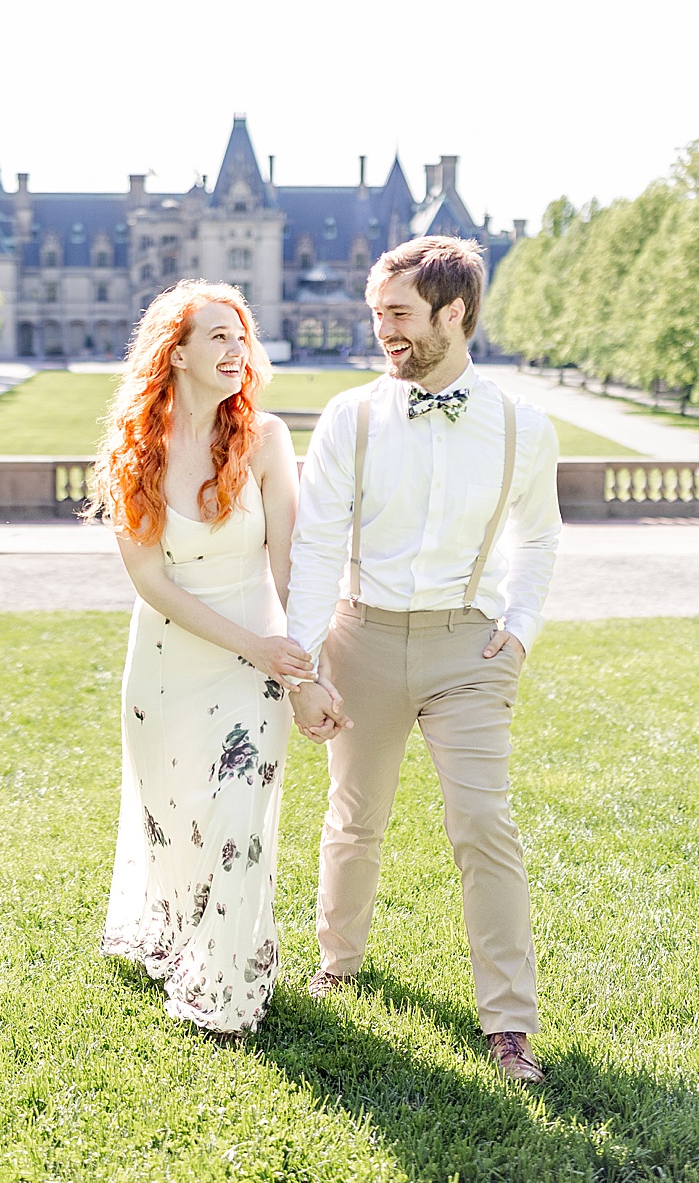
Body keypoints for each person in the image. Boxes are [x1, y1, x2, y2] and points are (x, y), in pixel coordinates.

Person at [287, 236, 561, 1083]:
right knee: (355, 814)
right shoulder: (351, 416)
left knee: (485, 823)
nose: (384, 332)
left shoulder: (523, 425)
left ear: (455, 313)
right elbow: (316, 543)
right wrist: (303, 670)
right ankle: (338, 963)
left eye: (398, 315)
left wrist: (518, 629)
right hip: (359, 634)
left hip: (469, 648)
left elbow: (539, 537)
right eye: (377, 316)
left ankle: (509, 1025)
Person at [90, 280, 339, 1034]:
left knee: (239, 821)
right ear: (177, 353)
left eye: (241, 337)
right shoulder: (136, 450)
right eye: (218, 338)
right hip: (167, 665)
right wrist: (255, 645)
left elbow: (291, 561)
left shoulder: (264, 439)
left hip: (254, 667)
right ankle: (175, 938)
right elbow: (150, 580)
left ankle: (229, 991)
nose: (237, 352)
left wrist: (302, 672)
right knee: (176, 820)